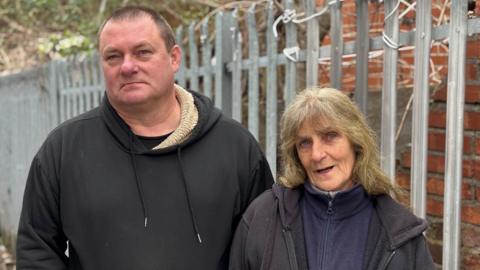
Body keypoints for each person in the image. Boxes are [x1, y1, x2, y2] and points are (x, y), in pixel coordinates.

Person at [16, 6, 273, 270]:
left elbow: (265, 250)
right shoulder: (64, 150)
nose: (128, 66)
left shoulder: (235, 148)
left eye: (143, 52)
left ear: (174, 58)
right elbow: (37, 251)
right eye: (113, 56)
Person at [229, 87, 435, 270]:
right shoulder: (263, 217)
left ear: (356, 141)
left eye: (330, 136)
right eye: (305, 143)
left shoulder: (401, 233)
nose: (317, 154)